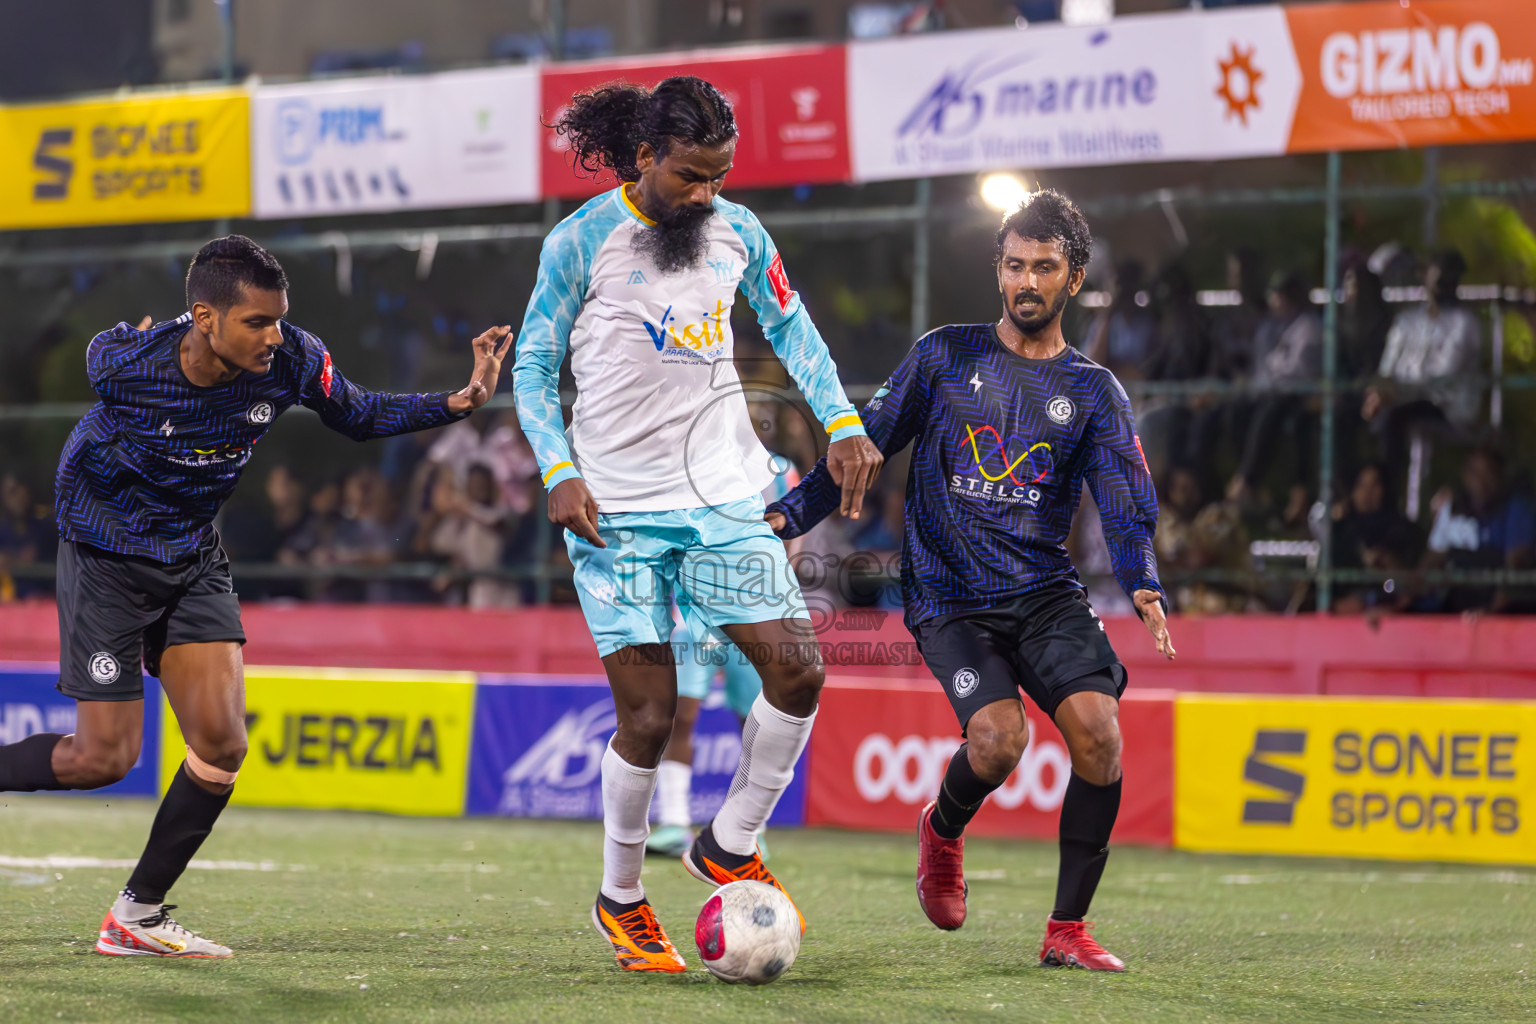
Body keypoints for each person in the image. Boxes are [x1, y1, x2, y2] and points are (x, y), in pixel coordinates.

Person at [0, 235, 510, 959]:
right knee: (101, 760)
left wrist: (459, 401)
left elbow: (358, 414)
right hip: (106, 557)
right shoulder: (130, 366)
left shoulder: (294, 358)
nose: (274, 337)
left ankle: (136, 917)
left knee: (222, 743)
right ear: (204, 317)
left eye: (279, 319)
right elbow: (96, 359)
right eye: (257, 323)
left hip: (191, 557)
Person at [513, 76, 881, 973]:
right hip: (616, 515)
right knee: (647, 717)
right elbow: (532, 368)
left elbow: (794, 331)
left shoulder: (740, 233)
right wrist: (557, 472)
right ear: (644, 158)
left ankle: (728, 841)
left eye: (719, 177)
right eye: (690, 177)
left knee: (798, 671)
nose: (706, 194)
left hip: (722, 498)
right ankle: (623, 899)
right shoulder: (581, 243)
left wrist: (842, 422)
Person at [768, 190, 1174, 972]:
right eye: (1015, 265)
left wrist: (1143, 578)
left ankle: (1066, 931)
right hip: (950, 596)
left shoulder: (1094, 392)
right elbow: (861, 447)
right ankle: (942, 831)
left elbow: (1123, 497)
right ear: (998, 269)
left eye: (1045, 268)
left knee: (1098, 734)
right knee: (998, 742)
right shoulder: (943, 356)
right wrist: (786, 516)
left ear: (1074, 278)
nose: (1027, 281)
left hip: (1045, 591)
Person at [1364, 250, 1483, 493]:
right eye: (1437, 275)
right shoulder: (1407, 321)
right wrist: (1378, 391)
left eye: (1450, 278)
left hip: (1446, 406)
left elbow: (1442, 376)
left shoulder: (1464, 323)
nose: (1443, 284)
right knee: (1351, 413)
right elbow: (1387, 368)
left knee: (1395, 417)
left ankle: (1387, 495)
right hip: (1401, 400)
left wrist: (1394, 394)